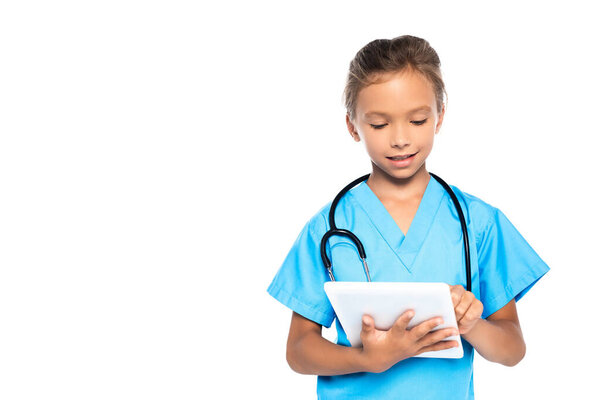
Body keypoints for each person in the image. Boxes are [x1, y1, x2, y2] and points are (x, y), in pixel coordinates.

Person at [266, 35, 550, 399]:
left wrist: (472, 324)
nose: (400, 139)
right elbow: (298, 352)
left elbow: (512, 350)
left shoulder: (477, 222)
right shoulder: (328, 228)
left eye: (417, 120)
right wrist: (367, 359)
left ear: (439, 116)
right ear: (353, 126)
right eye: (379, 125)